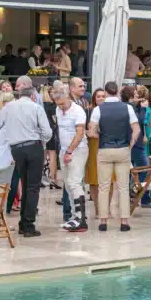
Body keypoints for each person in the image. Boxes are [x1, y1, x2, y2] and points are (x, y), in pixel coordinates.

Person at [0, 86, 52, 237]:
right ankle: (28, 225)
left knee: (25, 182)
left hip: (16, 149)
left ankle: (23, 223)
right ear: (33, 96)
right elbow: (47, 132)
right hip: (33, 147)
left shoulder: (8, 108)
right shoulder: (36, 108)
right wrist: (42, 140)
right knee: (33, 187)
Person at [89, 81, 139, 232]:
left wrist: (101, 135)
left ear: (106, 92)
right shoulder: (128, 108)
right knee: (123, 187)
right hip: (123, 148)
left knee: (103, 187)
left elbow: (91, 131)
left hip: (105, 149)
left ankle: (103, 220)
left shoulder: (98, 109)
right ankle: (124, 221)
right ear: (117, 91)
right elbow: (136, 130)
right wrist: (130, 144)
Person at [54, 84, 89, 232]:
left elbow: (79, 134)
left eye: (62, 104)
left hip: (77, 150)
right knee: (68, 184)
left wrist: (69, 151)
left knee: (75, 182)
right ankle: (74, 216)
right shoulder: (58, 108)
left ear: (68, 97)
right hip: (64, 150)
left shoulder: (78, 111)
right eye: (58, 104)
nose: (61, 107)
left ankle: (81, 218)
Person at [129, 85, 151, 209]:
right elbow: (140, 121)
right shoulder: (135, 108)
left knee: (138, 170)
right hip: (137, 144)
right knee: (144, 170)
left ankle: (136, 193)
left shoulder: (134, 106)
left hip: (137, 143)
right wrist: (144, 109)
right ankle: (139, 194)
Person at [83, 88, 107, 218]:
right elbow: (86, 130)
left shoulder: (109, 111)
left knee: (109, 179)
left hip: (107, 146)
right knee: (94, 179)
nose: (101, 99)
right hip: (93, 146)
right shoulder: (88, 111)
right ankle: (98, 209)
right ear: (94, 98)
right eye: (98, 96)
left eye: (103, 96)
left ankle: (106, 209)